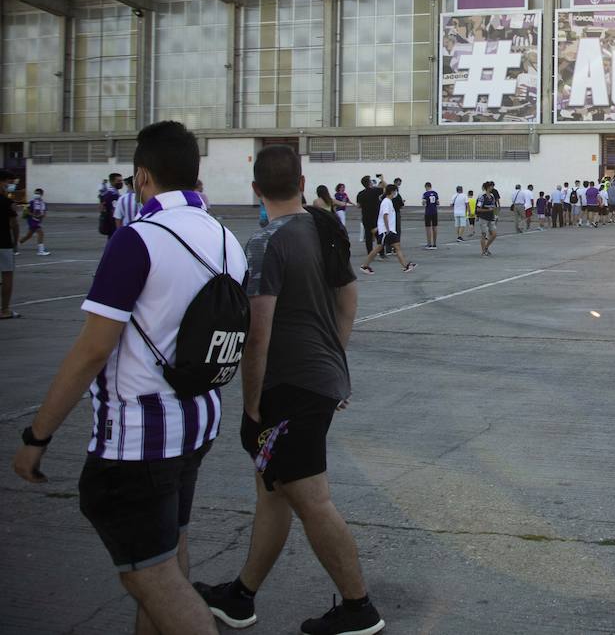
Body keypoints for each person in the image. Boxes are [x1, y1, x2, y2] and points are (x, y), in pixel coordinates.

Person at [12, 121, 247, 635]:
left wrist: (38, 435)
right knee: (169, 554)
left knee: (153, 579)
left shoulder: (136, 240)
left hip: (138, 440)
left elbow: (93, 348)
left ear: (142, 176)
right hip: (198, 423)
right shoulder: (228, 238)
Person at [194, 144, 386, 635]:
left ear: (256, 190)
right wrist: (333, 358)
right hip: (319, 377)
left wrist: (251, 405)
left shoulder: (264, 244)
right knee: (272, 491)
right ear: (303, 183)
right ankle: (241, 596)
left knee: (310, 498)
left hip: (290, 388)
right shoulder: (326, 227)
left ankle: (358, 607)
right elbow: (348, 298)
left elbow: (258, 332)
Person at [361, 184, 416, 275]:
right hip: (386, 231)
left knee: (397, 246)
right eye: (395, 191)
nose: (396, 194)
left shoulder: (388, 201)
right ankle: (365, 265)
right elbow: (385, 215)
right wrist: (387, 229)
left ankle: (405, 265)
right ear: (392, 192)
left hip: (389, 230)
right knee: (378, 248)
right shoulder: (386, 202)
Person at [0, 173, 18, 317]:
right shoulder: (6, 202)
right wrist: (16, 242)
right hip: (4, 242)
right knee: (7, 275)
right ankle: (4, 309)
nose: (10, 185)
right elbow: (14, 224)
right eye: (8, 182)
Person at [18, 187, 51, 256]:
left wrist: (42, 215)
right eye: (35, 193)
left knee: (28, 236)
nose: (36, 194)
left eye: (38, 193)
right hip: (32, 220)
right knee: (40, 233)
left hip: (38, 220)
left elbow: (44, 211)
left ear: (41, 194)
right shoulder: (31, 202)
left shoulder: (42, 203)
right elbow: (26, 210)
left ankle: (15, 245)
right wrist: (33, 215)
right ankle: (41, 251)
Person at [356, 177, 382, 257]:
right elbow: (385, 187)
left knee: (368, 236)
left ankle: (370, 253)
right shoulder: (375, 191)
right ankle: (381, 253)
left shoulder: (360, 193)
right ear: (369, 183)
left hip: (366, 217)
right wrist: (382, 178)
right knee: (379, 236)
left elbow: (358, 206)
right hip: (375, 217)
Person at [476, 182, 498, 257]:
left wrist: (495, 214)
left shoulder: (492, 196)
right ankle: (483, 251)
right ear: (488, 187)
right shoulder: (482, 196)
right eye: (492, 187)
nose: (493, 188)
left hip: (491, 217)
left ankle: (486, 247)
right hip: (483, 218)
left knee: (494, 234)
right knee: (484, 234)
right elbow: (478, 209)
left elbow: (493, 206)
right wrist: (488, 210)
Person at [99, 172, 122, 238]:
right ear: (112, 182)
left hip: (109, 224)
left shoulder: (107, 193)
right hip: (113, 225)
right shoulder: (113, 195)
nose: (121, 183)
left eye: (121, 180)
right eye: (118, 181)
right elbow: (114, 211)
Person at [422, 182, 440, 249]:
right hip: (434, 212)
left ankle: (429, 244)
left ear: (426, 187)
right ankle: (434, 244)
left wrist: (424, 203)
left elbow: (423, 203)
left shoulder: (425, 194)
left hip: (428, 212)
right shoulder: (435, 193)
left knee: (428, 228)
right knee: (435, 227)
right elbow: (438, 202)